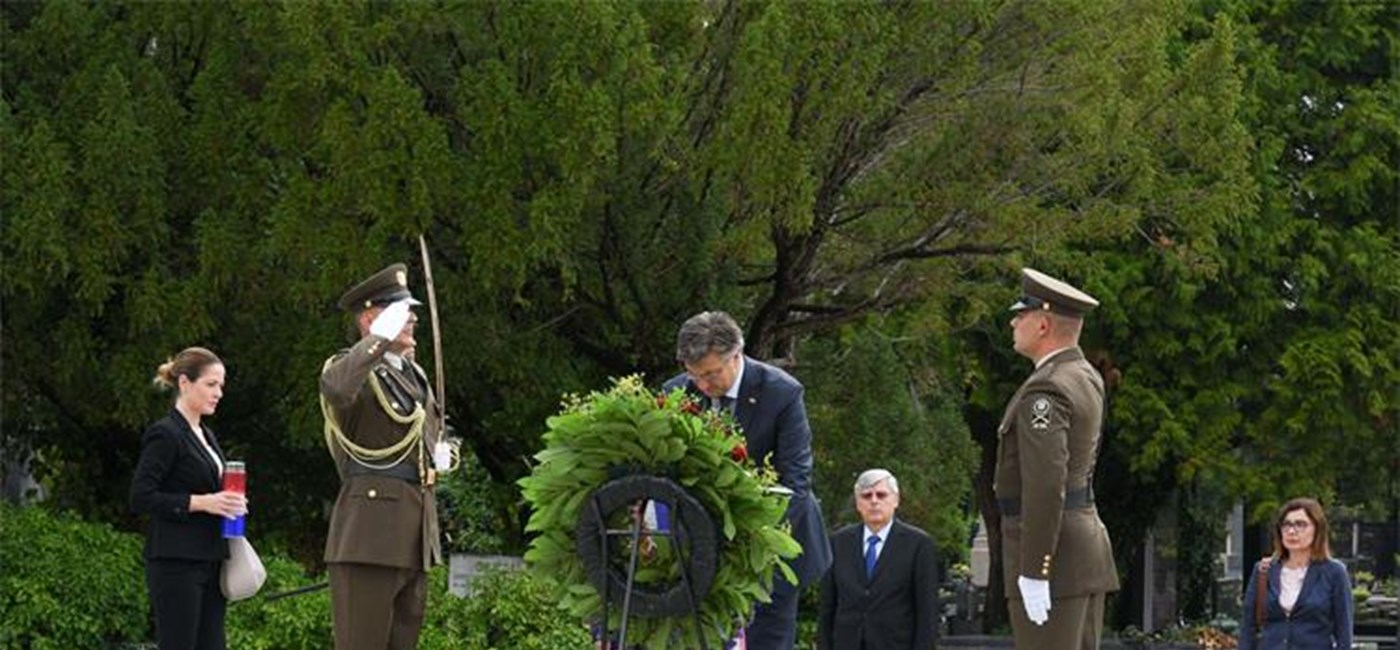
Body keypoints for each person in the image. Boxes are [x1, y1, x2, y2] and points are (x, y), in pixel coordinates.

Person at [663, 311, 833, 650]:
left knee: (767, 640)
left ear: (736, 355)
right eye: (694, 376)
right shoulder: (675, 393)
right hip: (702, 549)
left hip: (772, 545)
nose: (703, 386)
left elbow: (796, 483)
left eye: (711, 374)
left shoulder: (782, 393)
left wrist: (749, 543)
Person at [993, 268, 1119, 650]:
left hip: (1055, 559)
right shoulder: (1082, 375)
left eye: (1022, 315)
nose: (1014, 322)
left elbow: (1047, 485)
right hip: (1080, 550)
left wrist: (1035, 570)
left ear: (1043, 324)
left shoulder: (1046, 390)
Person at [321, 263, 443, 650]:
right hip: (369, 536)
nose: (412, 320)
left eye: (410, 313)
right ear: (372, 318)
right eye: (401, 313)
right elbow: (337, 390)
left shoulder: (413, 375)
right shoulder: (350, 369)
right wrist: (378, 338)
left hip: (413, 534)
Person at [130, 347, 248, 650]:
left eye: (221, 385)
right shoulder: (165, 434)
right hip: (176, 561)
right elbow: (141, 497)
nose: (219, 393)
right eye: (211, 385)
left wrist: (231, 504)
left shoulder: (206, 435)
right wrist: (201, 502)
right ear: (184, 383)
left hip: (211, 558)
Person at [819, 469, 939, 650]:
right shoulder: (838, 543)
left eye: (881, 495)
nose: (874, 501)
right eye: (866, 496)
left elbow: (927, 612)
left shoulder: (918, 545)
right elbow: (828, 606)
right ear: (858, 503)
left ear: (896, 500)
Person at [1238, 497, 1353, 650]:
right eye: (1286, 525)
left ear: (1317, 529)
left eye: (1301, 525)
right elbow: (1248, 627)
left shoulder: (1334, 572)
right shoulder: (1263, 570)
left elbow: (1344, 632)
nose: (1291, 531)